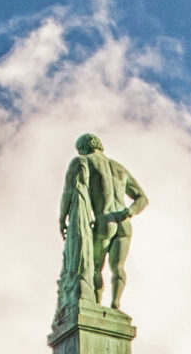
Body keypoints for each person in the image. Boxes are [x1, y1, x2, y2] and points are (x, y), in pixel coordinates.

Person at [57, 134, 147, 315]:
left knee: (95, 268)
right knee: (118, 267)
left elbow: (70, 191)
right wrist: (130, 211)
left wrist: (62, 217)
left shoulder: (84, 161)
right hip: (123, 220)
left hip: (104, 220)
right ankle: (115, 304)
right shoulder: (119, 168)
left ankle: (96, 308)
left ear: (83, 147)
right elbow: (142, 198)